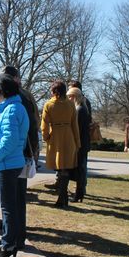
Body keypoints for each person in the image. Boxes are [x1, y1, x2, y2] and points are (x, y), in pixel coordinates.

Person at [0, 74, 29, 257]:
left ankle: (8, 246)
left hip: (7, 164)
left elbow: (10, 140)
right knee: (11, 206)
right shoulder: (15, 107)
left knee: (8, 208)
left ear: (2, 91)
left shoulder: (12, 110)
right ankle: (10, 243)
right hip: (10, 163)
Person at [41, 80, 80, 208]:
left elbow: (44, 125)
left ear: (55, 91)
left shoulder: (49, 104)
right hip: (69, 136)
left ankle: (62, 197)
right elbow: (75, 124)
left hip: (56, 136)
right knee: (65, 167)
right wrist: (77, 142)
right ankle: (63, 197)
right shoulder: (70, 104)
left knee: (60, 166)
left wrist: (46, 137)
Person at [67, 86, 91, 202]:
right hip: (83, 144)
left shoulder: (79, 110)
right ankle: (79, 194)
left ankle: (78, 194)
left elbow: (77, 129)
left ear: (74, 97)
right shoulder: (83, 108)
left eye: (70, 97)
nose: (69, 99)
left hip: (80, 144)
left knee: (79, 170)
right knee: (80, 169)